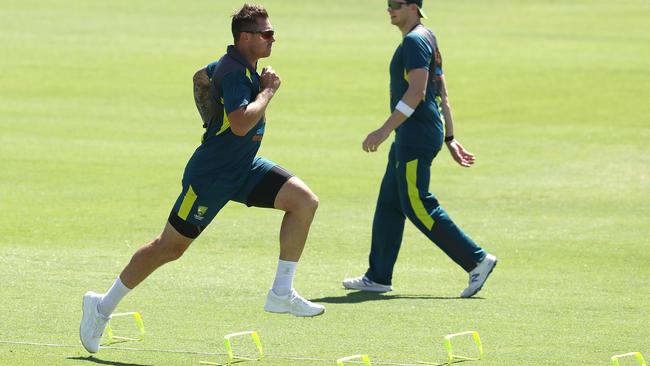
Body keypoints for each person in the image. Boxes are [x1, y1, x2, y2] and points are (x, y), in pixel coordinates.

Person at [80, 3, 325, 354]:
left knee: (304, 202)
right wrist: (269, 91)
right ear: (245, 37)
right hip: (211, 177)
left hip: (243, 168)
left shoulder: (237, 65)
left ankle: (281, 293)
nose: (274, 38)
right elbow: (241, 124)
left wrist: (213, 110)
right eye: (267, 33)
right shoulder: (238, 73)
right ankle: (101, 307)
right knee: (169, 248)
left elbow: (201, 77)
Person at [342, 0, 497, 298]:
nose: (390, 9)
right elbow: (443, 91)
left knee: (417, 204)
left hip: (414, 135)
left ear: (414, 7)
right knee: (390, 202)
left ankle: (476, 259)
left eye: (397, 5)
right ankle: (378, 276)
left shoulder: (414, 41)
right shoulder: (426, 37)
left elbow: (418, 92)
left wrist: (384, 129)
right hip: (415, 134)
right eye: (388, 4)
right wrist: (450, 137)